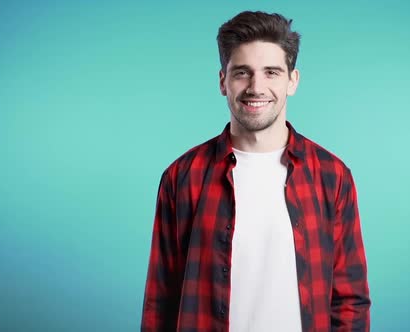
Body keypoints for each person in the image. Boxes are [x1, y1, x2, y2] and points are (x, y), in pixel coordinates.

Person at [141, 10, 371, 332]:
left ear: (293, 81)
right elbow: (159, 301)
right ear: (223, 81)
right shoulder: (182, 178)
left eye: (272, 72)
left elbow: (350, 302)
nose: (256, 87)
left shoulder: (332, 177)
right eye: (242, 73)